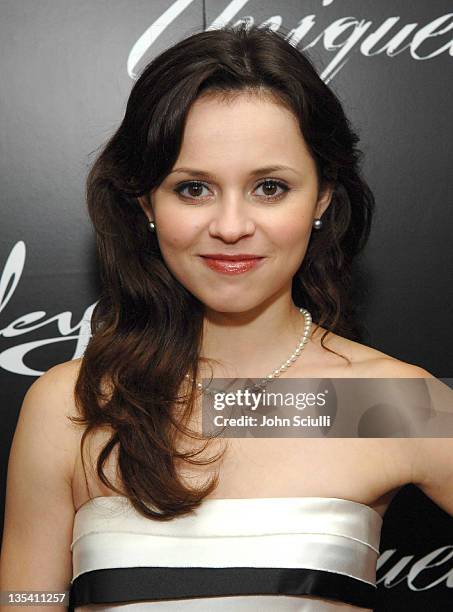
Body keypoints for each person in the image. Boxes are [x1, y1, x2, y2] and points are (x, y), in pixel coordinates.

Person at [1, 23, 452, 612]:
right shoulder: (72, 406)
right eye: (193, 189)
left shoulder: (384, 402)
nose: (232, 226)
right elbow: (27, 599)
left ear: (320, 197)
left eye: (269, 187)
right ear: (147, 203)